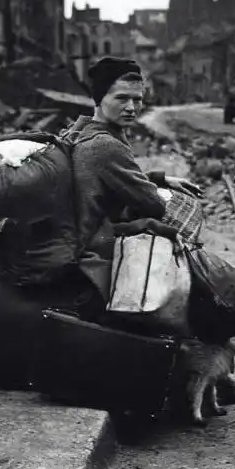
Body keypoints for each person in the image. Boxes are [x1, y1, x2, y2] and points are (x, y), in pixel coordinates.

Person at [68, 56, 201, 316]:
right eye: (121, 98)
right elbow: (152, 204)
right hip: (94, 249)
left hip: (83, 236)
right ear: (99, 98)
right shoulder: (106, 145)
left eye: (137, 99)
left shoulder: (82, 130)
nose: (131, 107)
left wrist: (161, 179)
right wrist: (160, 194)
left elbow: (117, 178)